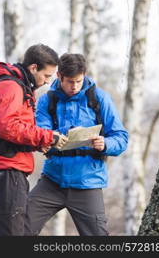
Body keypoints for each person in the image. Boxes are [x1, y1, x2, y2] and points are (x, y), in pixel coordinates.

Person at [28, 53, 128, 236]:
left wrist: (105, 143)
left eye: (78, 81)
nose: (74, 86)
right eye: (69, 82)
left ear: (85, 75)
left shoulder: (100, 99)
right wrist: (51, 139)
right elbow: (41, 133)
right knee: (20, 228)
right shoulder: (46, 100)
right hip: (52, 181)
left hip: (88, 183)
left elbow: (121, 137)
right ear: (59, 76)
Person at [0, 44, 68, 236]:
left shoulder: (19, 87)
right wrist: (47, 136)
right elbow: (7, 127)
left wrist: (40, 143)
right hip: (6, 170)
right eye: (46, 76)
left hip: (13, 169)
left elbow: (18, 130)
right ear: (33, 68)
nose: (47, 82)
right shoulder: (11, 87)